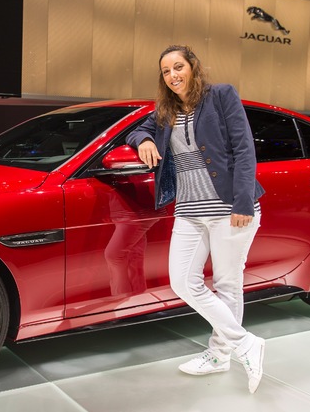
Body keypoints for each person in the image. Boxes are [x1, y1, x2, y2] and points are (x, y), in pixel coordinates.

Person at [126, 45, 266, 393]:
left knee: (227, 284)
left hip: (229, 207)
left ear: (192, 67)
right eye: (165, 71)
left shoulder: (220, 96)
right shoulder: (165, 111)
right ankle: (244, 342)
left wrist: (244, 202)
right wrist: (143, 139)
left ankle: (220, 355)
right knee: (182, 281)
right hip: (188, 211)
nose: (173, 75)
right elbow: (133, 130)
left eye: (178, 67)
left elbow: (244, 148)